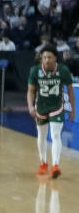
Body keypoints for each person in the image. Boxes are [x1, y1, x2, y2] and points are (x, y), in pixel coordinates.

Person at [27, 49, 75, 179]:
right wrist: (31, 106)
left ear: (55, 58)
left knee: (55, 134)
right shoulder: (35, 71)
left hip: (56, 106)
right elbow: (30, 91)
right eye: (44, 57)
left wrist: (73, 109)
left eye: (49, 57)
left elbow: (70, 90)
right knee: (41, 136)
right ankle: (43, 163)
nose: (47, 60)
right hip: (41, 107)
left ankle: (55, 165)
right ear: (41, 59)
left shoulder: (63, 70)